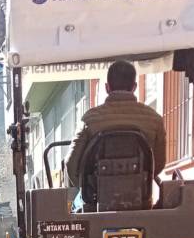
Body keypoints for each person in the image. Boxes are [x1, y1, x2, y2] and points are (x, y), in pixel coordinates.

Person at [65, 59, 166, 190]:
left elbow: (71, 164)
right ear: (134, 87)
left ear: (107, 87)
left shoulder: (89, 120)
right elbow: (158, 164)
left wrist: (87, 189)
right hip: (139, 194)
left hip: (98, 196)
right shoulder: (154, 119)